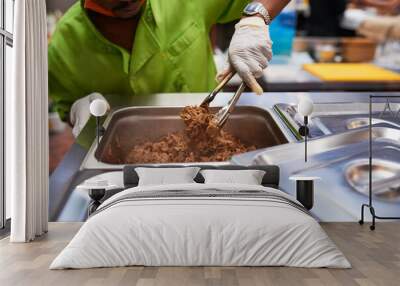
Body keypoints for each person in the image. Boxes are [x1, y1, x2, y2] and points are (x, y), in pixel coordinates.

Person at [49, 0, 290, 145]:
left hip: (209, 141)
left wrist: (256, 18)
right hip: (123, 167)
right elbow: (66, 108)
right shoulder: (64, 44)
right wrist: (77, 110)